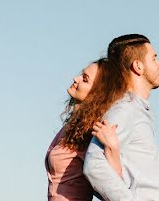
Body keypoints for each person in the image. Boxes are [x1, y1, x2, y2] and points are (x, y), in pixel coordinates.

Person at [83, 34, 159, 201]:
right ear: (138, 66)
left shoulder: (135, 109)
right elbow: (93, 166)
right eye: (154, 59)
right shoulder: (124, 109)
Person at [46, 59, 123, 201]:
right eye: (81, 75)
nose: (76, 79)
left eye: (85, 79)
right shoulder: (73, 127)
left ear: (97, 93)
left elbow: (112, 184)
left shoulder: (90, 131)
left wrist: (113, 148)